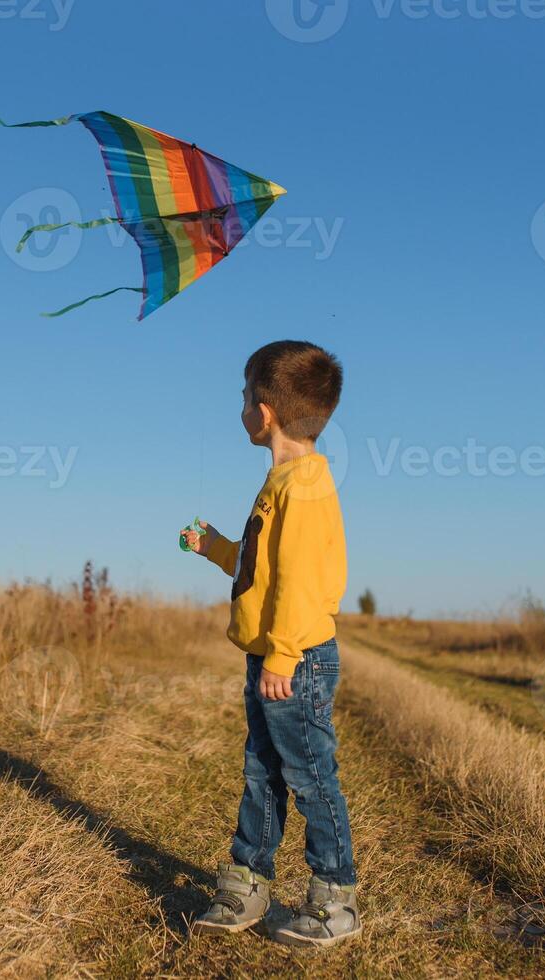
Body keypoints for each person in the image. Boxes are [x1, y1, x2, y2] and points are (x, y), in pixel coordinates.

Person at [182, 340, 358, 948]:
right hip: (273, 657)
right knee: (262, 772)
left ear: (264, 412)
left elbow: (304, 583)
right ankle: (250, 879)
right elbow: (262, 566)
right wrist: (215, 548)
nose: (239, 410)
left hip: (296, 659)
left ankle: (335, 897)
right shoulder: (282, 481)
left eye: (242, 398)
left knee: (309, 775)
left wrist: (283, 656)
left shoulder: (304, 484)